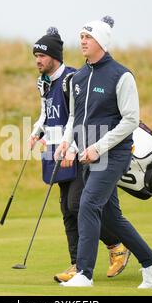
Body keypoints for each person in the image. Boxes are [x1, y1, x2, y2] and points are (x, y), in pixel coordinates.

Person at [55, 16, 152, 288]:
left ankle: (84, 273)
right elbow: (76, 118)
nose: (82, 41)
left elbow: (130, 120)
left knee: (88, 204)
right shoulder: (78, 77)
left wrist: (98, 147)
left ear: (102, 42)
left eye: (88, 37)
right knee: (110, 216)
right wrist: (67, 143)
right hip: (88, 156)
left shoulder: (121, 75)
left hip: (114, 154)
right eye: (81, 36)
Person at [29, 27, 131, 283]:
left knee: (79, 206)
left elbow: (80, 119)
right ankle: (76, 264)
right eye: (35, 56)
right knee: (67, 208)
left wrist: (72, 149)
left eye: (41, 56)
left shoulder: (72, 78)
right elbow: (46, 113)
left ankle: (116, 245)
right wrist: (36, 133)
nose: (38, 60)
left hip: (80, 151)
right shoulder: (43, 82)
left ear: (54, 56)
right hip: (57, 151)